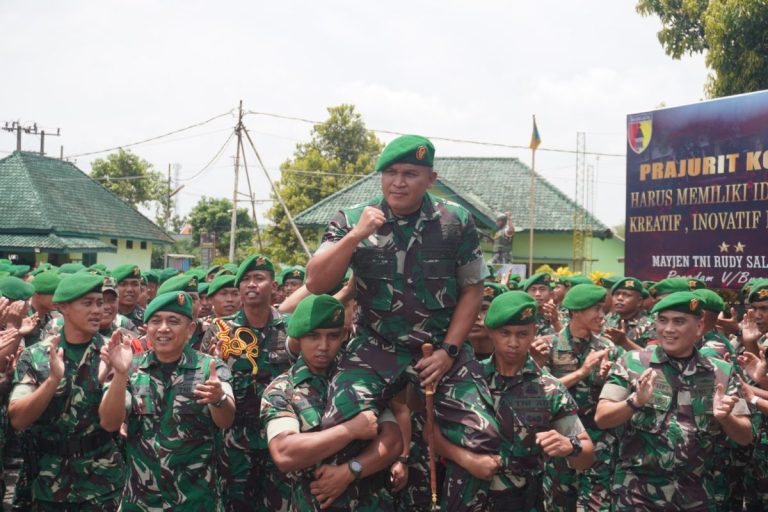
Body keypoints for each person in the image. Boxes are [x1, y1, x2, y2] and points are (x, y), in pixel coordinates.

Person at [305, 134, 500, 512]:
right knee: (339, 428)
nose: (398, 182)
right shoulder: (351, 219)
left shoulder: (455, 221)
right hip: (375, 346)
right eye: (390, 172)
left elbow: (473, 290)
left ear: (431, 178)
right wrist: (356, 236)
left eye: (410, 174)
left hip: (439, 348)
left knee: (482, 436)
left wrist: (448, 352)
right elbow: (316, 283)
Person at [434, 291, 595, 511]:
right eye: (505, 333)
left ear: (534, 333)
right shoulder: (465, 380)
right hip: (464, 499)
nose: (513, 343)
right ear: (491, 332)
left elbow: (587, 455)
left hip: (520, 502)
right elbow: (430, 432)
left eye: (522, 334)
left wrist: (570, 446)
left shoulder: (548, 389)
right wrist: (467, 459)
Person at [595, 291, 752, 511]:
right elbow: (602, 417)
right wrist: (634, 402)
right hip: (638, 494)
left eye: (679, 322)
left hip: (696, 495)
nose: (668, 329)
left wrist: (726, 418)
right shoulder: (632, 363)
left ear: (699, 327)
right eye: (662, 320)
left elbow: (745, 436)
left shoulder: (721, 372)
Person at [262, 294, 402, 511]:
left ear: (344, 335)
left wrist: (350, 471)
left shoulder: (361, 378)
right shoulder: (281, 390)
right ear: (298, 337)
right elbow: (284, 452)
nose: (323, 346)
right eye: (313, 336)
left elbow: (392, 441)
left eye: (333, 336)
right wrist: (351, 430)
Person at [99, 291, 234, 510]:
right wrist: (121, 374)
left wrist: (218, 399)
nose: (163, 328)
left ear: (190, 329)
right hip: (141, 500)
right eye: (156, 321)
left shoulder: (209, 368)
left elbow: (226, 419)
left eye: (173, 321)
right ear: (147, 328)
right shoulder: (131, 367)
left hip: (196, 500)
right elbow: (109, 422)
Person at [8, 274, 125, 510]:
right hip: (46, 480)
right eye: (87, 303)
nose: (97, 310)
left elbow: (112, 423)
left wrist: (120, 373)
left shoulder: (112, 353)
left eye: (99, 302)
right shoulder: (37, 355)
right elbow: (18, 419)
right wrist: (52, 380)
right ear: (63, 307)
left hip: (100, 481)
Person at [201, 254, 292, 512]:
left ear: (274, 286)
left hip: (280, 437)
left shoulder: (290, 328)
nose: (252, 284)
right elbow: (206, 380)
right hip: (234, 443)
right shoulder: (220, 330)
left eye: (259, 278)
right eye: (246, 280)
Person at [543, 283, 622, 512]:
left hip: (599, 443)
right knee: (559, 505)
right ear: (576, 311)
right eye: (595, 309)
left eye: (602, 309)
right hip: (561, 441)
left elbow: (618, 393)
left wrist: (608, 378)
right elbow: (542, 392)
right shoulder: (548, 345)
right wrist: (582, 372)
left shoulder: (607, 347)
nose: (602, 315)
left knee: (598, 506)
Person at [604, 277, 656, 351]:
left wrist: (625, 342)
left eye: (627, 295)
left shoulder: (651, 325)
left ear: (639, 301)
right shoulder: (607, 320)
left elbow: (652, 355)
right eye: (617, 294)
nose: (619, 298)